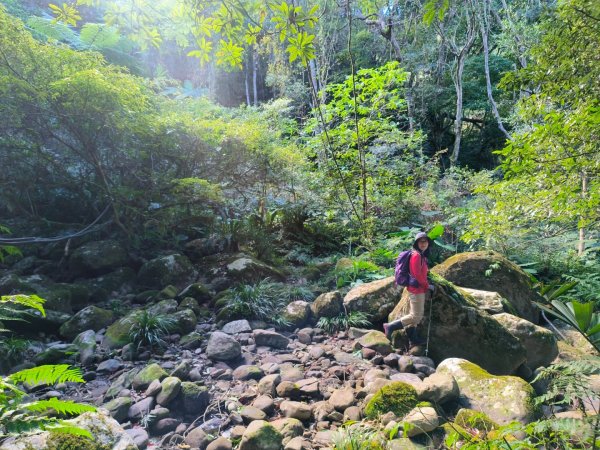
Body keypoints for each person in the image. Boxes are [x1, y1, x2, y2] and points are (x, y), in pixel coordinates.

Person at [383, 231, 435, 348]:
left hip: (418, 288)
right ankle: (390, 326)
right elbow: (417, 274)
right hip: (416, 289)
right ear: (416, 243)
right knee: (416, 316)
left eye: (425, 241)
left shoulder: (421, 255)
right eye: (420, 242)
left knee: (414, 317)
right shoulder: (416, 255)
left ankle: (413, 339)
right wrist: (428, 286)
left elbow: (422, 272)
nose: (423, 244)